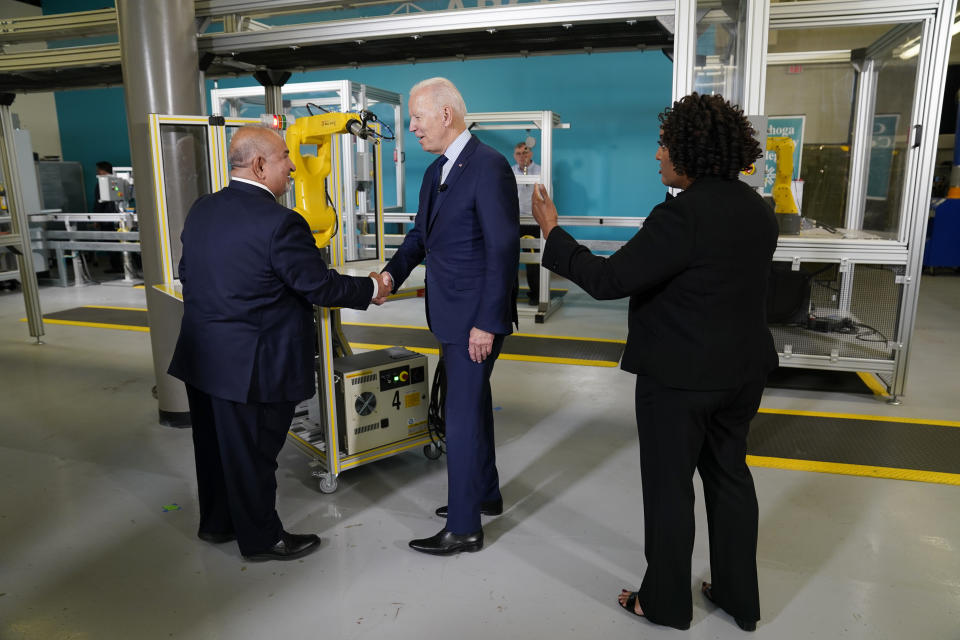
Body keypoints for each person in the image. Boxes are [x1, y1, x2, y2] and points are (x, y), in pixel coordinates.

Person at [531, 92, 777, 631]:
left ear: (689, 149)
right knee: (730, 478)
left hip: (680, 380)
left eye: (664, 145)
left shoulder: (680, 216)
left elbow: (607, 280)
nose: (658, 156)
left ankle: (664, 601)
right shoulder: (758, 210)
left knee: (669, 488)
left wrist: (553, 233)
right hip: (744, 374)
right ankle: (739, 595)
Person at [168, 125, 390, 562]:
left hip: (203, 357)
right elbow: (317, 286)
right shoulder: (281, 222)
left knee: (216, 449)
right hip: (253, 366)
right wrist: (370, 288)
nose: (292, 165)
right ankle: (262, 539)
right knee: (254, 455)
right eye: (285, 156)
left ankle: (218, 524)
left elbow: (187, 272)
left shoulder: (203, 209)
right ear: (259, 165)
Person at [381, 77, 519, 555]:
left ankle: (464, 527)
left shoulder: (489, 167)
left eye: (418, 117)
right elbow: (420, 237)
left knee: (458, 419)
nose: (412, 127)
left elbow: (503, 249)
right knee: (472, 407)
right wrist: (388, 278)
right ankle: (484, 493)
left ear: (446, 115)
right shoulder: (435, 172)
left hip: (475, 321)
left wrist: (487, 321)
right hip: (449, 313)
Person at [512, 142, 541, 305]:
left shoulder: (541, 171)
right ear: (514, 156)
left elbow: (546, 195)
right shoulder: (510, 171)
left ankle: (536, 294)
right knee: (511, 259)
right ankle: (512, 293)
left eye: (525, 152)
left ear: (531, 154)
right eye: (518, 153)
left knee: (533, 260)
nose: (522, 156)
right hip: (514, 221)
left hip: (533, 221)